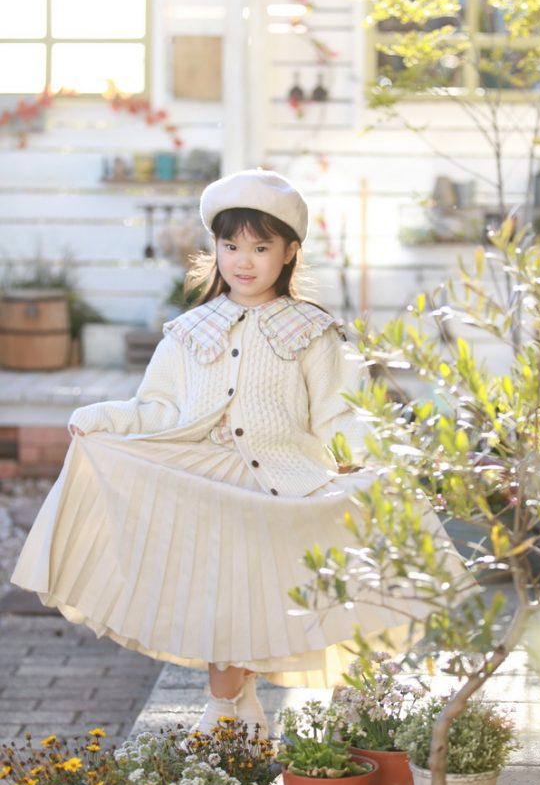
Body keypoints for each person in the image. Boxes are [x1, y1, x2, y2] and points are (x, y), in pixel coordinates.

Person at [12, 169, 470, 735]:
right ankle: (229, 713)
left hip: (289, 482)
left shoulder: (313, 332)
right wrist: (104, 418)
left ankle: (362, 707)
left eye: (260, 247)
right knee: (223, 600)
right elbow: (158, 410)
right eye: (231, 246)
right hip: (212, 484)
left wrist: (374, 462)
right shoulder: (188, 331)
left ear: (289, 252)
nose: (243, 260)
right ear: (216, 249)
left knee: (297, 591)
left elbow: (338, 413)